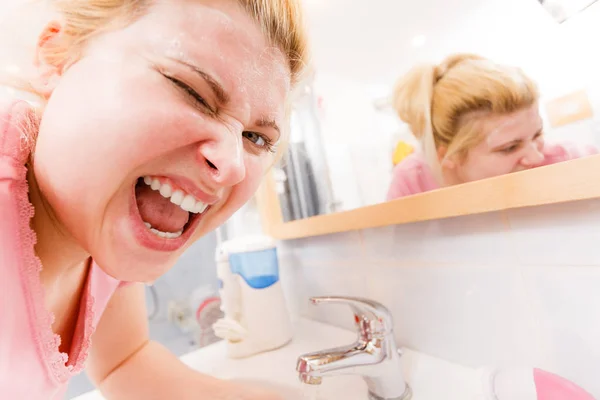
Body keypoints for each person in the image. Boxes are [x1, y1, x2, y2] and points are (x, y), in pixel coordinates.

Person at [0, 0, 308, 398]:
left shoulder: (107, 210)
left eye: (255, 138)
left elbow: (125, 361)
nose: (232, 165)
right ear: (58, 55)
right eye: (190, 91)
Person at [386, 53, 597, 200]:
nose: (536, 158)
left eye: (537, 135)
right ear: (448, 156)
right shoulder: (413, 181)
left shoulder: (567, 159)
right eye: (510, 147)